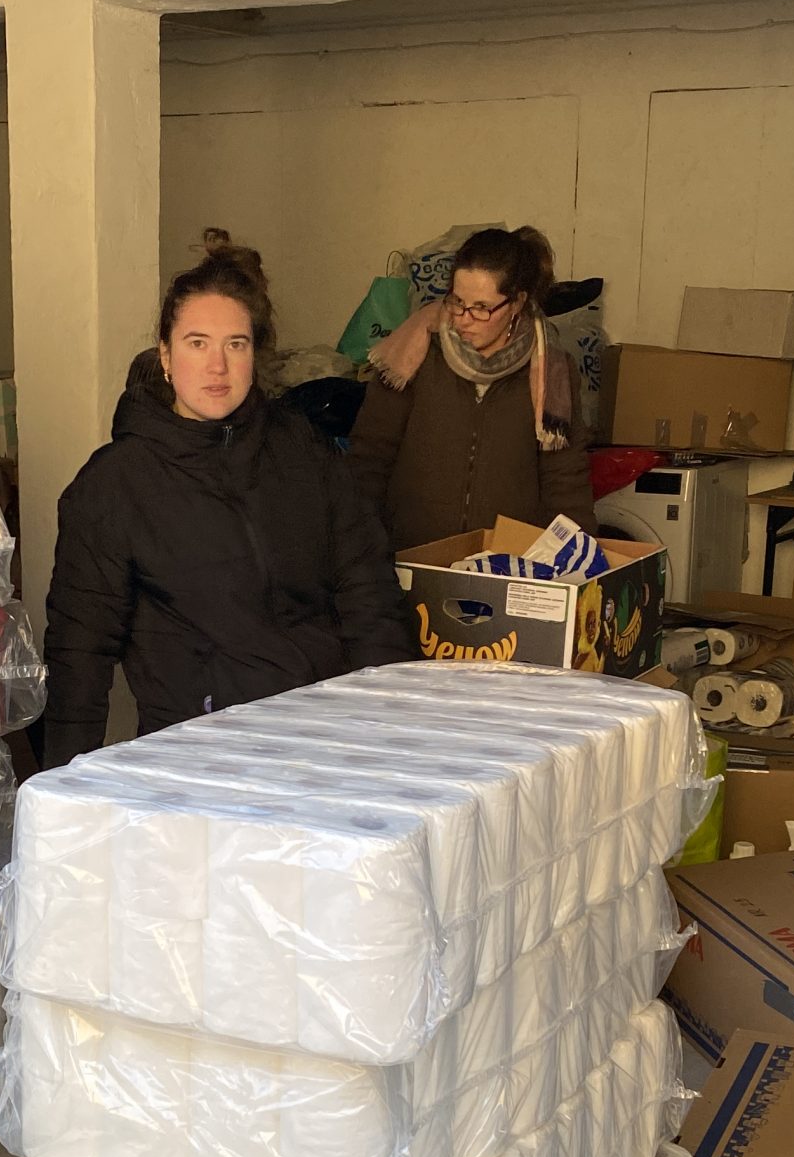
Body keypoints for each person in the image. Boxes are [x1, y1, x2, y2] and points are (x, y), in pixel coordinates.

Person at [42, 235, 418, 768]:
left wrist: (391, 719)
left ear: (254, 355)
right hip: (205, 755)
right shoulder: (115, 485)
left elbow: (367, 587)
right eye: (197, 343)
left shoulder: (300, 448)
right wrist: (62, 784)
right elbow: (80, 650)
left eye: (235, 344)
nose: (217, 366)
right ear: (165, 355)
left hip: (328, 734)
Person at [348, 226, 595, 549]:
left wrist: (581, 557)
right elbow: (369, 458)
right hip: (411, 555)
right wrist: (358, 547)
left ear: (517, 303)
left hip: (506, 562)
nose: (463, 319)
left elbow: (565, 480)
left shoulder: (551, 370)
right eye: (457, 301)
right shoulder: (413, 352)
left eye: (481, 307)